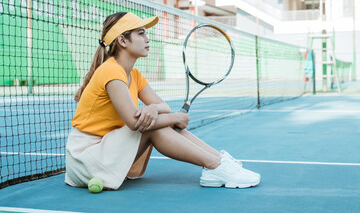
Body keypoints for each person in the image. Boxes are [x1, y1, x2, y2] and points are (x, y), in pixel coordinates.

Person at [65, 12, 261, 190]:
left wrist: (153, 108)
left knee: (160, 123)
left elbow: (163, 107)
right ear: (123, 40)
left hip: (108, 148)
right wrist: (176, 118)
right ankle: (215, 166)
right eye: (141, 33)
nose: (147, 39)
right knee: (155, 128)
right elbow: (134, 123)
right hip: (86, 157)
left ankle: (219, 161)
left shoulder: (134, 74)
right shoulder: (111, 71)